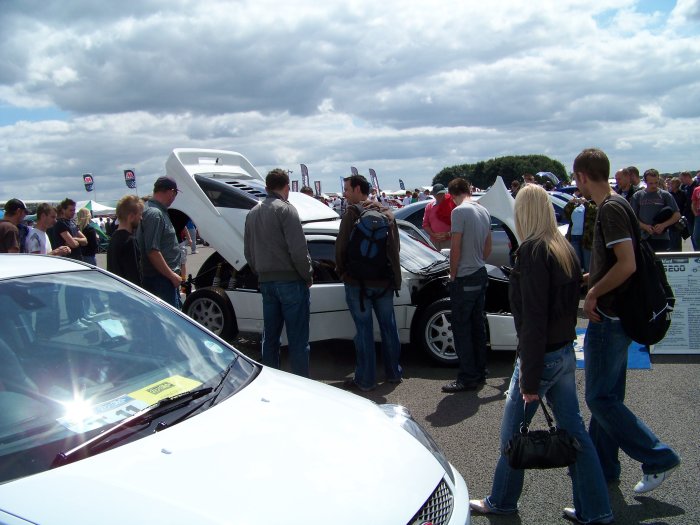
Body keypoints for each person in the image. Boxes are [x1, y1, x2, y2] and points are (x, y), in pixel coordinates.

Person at [469, 184, 613, 525]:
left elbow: (533, 320)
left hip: (541, 357)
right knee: (575, 434)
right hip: (563, 351)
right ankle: (597, 511)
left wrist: (529, 378)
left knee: (512, 435)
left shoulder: (533, 251)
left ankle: (502, 501)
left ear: (524, 212)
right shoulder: (561, 246)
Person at [573, 148, 680, 495]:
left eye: (577, 179)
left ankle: (657, 455)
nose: (578, 185)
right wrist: (593, 277)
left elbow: (627, 264)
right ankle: (603, 468)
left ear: (584, 176)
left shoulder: (610, 209)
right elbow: (620, 262)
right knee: (608, 396)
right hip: (618, 313)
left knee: (599, 400)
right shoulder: (618, 204)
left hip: (610, 315)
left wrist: (593, 293)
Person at [335, 174, 402, 391]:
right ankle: (393, 373)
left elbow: (341, 248)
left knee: (363, 330)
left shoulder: (352, 213)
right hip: (384, 282)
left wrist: (342, 272)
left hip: (357, 283)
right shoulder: (387, 214)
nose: (344, 194)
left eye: (346, 189)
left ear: (357, 189)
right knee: (388, 327)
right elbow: (395, 249)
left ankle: (366, 380)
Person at [244, 169, 313, 377]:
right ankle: (302, 384)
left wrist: (261, 272)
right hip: (291, 282)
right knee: (298, 340)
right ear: (287, 187)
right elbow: (299, 250)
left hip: (266, 282)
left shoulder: (252, 212)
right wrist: (307, 275)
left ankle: (271, 381)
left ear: (266, 187)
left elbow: (248, 252)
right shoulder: (286, 210)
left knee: (270, 338)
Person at [442, 178, 492, 393]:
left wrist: (453, 275)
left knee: (462, 330)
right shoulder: (483, 211)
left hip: (464, 276)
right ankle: (480, 371)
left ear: (452, 195)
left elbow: (455, 247)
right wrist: (478, 260)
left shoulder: (459, 212)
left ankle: (467, 377)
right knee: (477, 327)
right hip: (480, 272)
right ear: (469, 190)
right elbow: (487, 246)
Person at [136, 177, 183, 308]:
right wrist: (172, 276)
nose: (174, 197)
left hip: (162, 278)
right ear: (171, 191)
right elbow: (152, 251)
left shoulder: (156, 211)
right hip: (161, 280)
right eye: (175, 193)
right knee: (170, 323)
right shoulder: (155, 213)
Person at [630, 169, 680, 252]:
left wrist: (663, 225)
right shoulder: (637, 196)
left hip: (662, 237)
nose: (654, 185)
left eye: (656, 182)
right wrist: (644, 226)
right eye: (651, 183)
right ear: (645, 182)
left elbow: (677, 214)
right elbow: (632, 217)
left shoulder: (665, 195)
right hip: (643, 237)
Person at [107, 195, 144, 285]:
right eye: (140, 214)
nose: (141, 218)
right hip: (128, 294)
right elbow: (134, 275)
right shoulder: (129, 241)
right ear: (131, 216)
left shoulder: (114, 238)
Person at [563, 192, 597, 272]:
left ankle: (588, 283)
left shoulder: (592, 204)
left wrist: (586, 203)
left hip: (587, 240)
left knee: (588, 266)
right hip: (574, 237)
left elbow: (594, 213)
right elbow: (566, 213)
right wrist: (571, 203)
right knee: (576, 265)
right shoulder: (576, 206)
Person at [422, 183, 452, 249]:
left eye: (442, 193)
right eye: (438, 194)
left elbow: (458, 225)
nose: (441, 196)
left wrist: (448, 234)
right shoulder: (429, 206)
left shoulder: (452, 204)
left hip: (449, 241)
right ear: (434, 195)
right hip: (434, 242)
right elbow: (425, 224)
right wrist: (433, 234)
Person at [668, 177, 687, 251]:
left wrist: (682, 216)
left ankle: (678, 253)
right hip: (670, 219)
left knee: (678, 238)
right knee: (672, 238)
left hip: (680, 219)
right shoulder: (669, 194)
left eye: (672, 183)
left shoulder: (683, 193)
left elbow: (686, 205)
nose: (670, 185)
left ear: (676, 184)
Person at [692, 183, 700, 251]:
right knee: (696, 236)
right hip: (698, 216)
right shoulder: (697, 189)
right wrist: (695, 213)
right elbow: (693, 203)